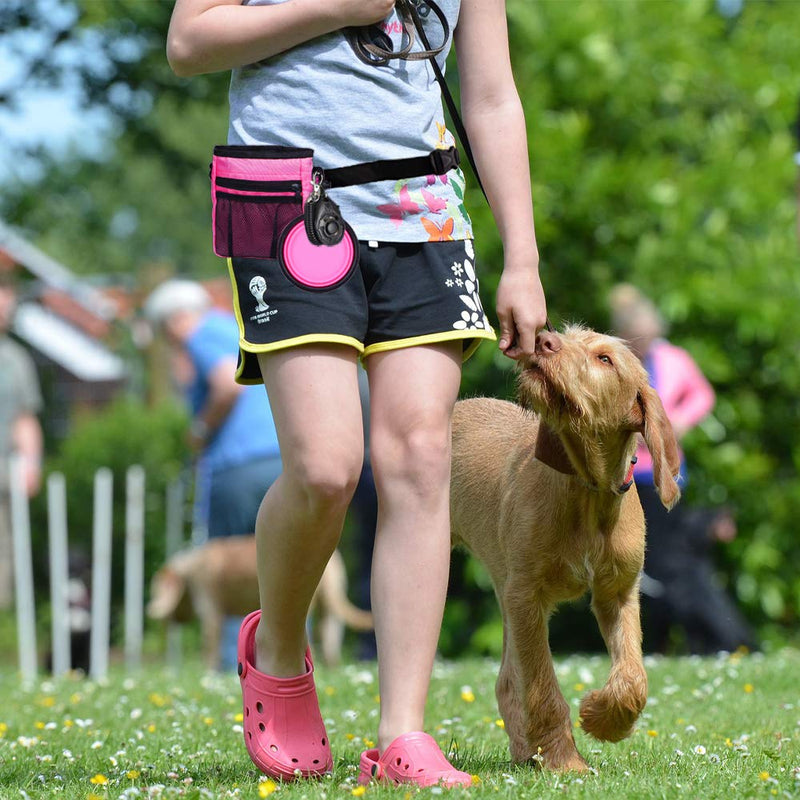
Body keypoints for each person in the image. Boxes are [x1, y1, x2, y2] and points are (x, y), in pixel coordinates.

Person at [166, 0, 547, 787]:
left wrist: (524, 258)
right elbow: (188, 42)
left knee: (417, 458)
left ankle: (403, 731)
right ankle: (275, 648)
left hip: (426, 214)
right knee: (327, 468)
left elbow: (491, 96)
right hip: (284, 201)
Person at [609, 283, 757, 654]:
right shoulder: (614, 361)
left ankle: (712, 640)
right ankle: (659, 642)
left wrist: (676, 424)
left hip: (667, 472)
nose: (646, 346)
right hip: (628, 473)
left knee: (669, 563)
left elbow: (702, 395)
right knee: (648, 565)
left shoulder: (673, 359)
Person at [144, 279, 283, 668]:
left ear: (173, 321)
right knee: (283, 558)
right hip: (277, 456)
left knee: (221, 574)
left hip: (236, 467)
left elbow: (227, 384)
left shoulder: (200, 334)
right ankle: (286, 659)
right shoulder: (234, 326)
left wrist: (200, 429)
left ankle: (231, 665)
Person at [0, 270, 43, 610]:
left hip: (3, 478)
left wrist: (31, 463)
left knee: (3, 569)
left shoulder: (15, 358)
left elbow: (24, 418)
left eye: (7, 298)